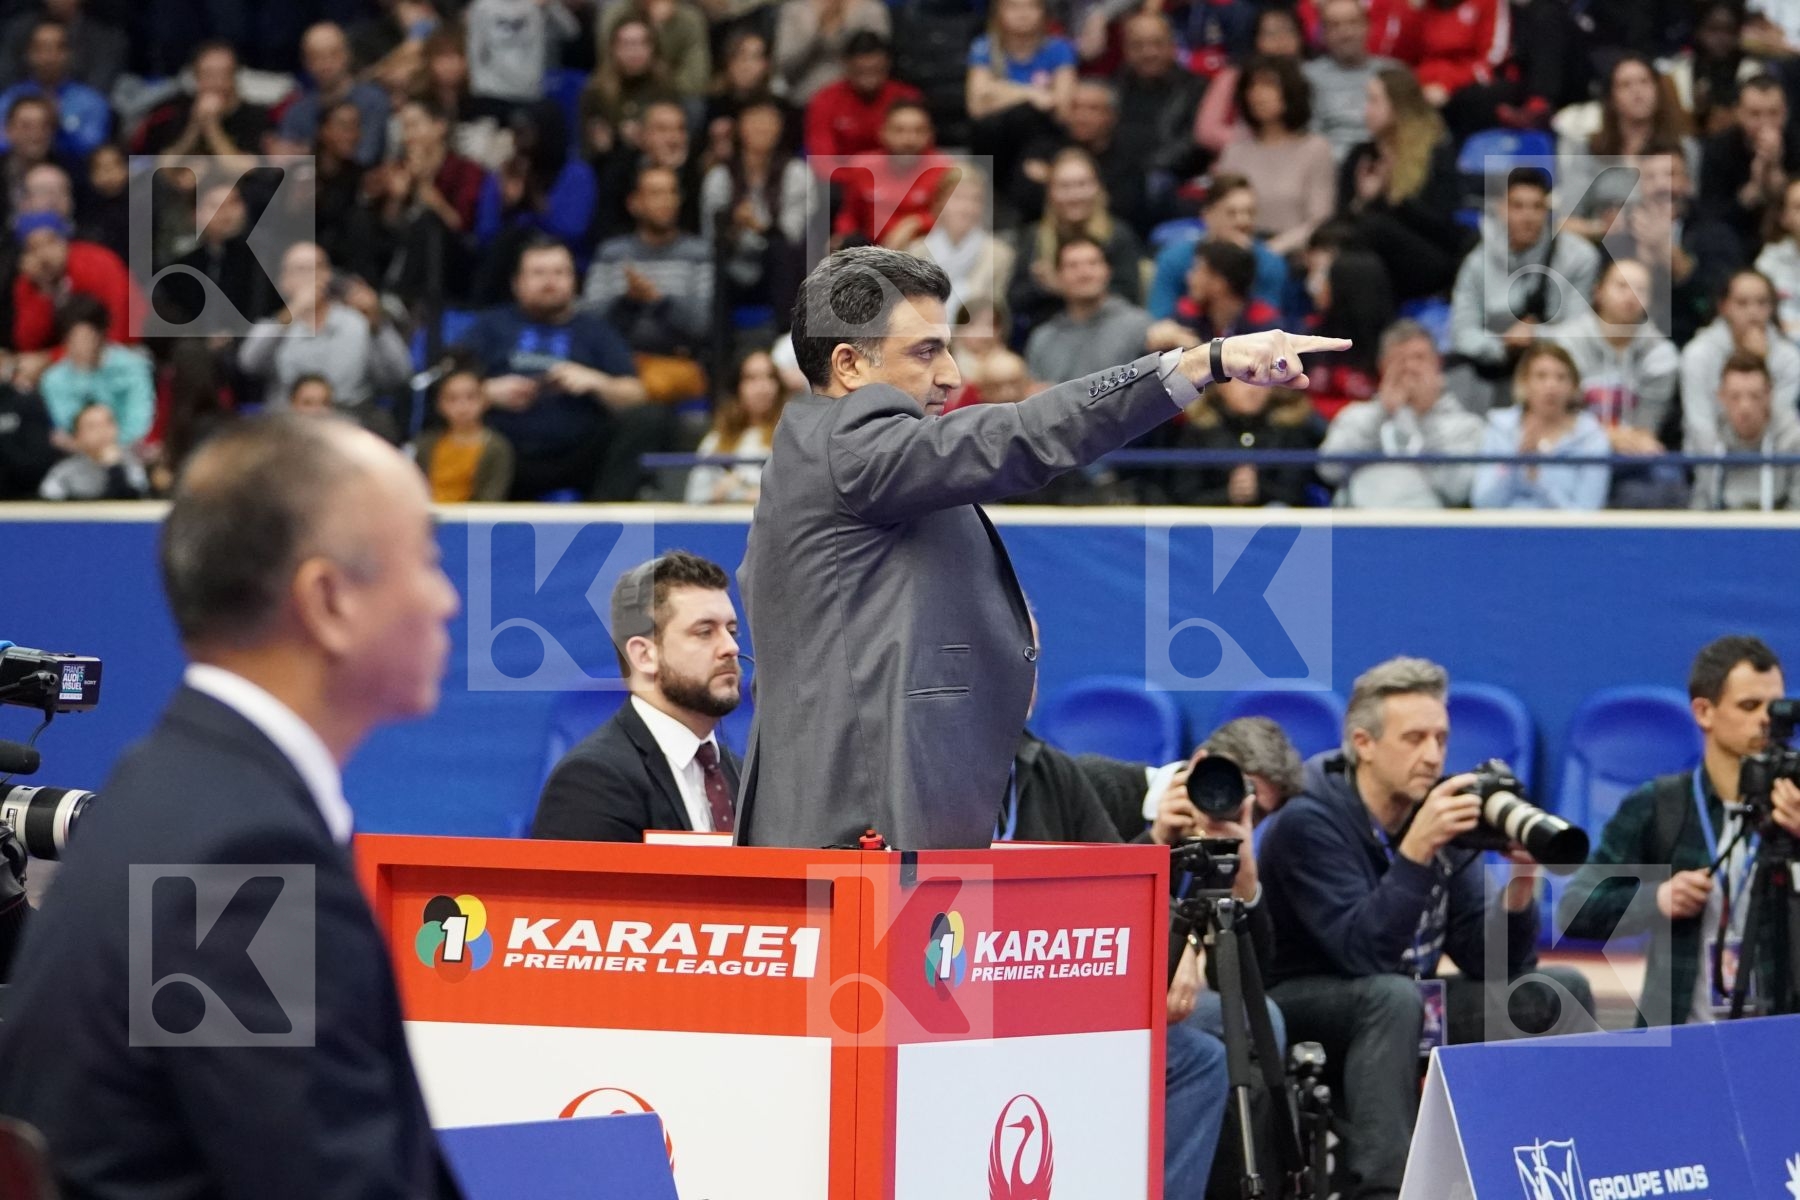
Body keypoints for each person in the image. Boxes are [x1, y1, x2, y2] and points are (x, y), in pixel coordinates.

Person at [732, 244, 1344, 849]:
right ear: (849, 365)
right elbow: (1021, 435)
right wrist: (1196, 365)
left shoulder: (851, 460)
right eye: (926, 351)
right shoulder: (847, 445)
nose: (951, 374)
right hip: (851, 832)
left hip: (865, 824)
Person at [3, 412, 464, 1195]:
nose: (447, 599)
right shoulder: (242, 857)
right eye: (423, 559)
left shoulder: (174, 794)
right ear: (329, 600)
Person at [1261, 656, 1596, 1200]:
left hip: (1404, 998)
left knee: (1558, 993)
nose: (1433, 754)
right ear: (1363, 743)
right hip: (1304, 1001)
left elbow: (1493, 963)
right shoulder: (1310, 820)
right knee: (1390, 997)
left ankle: (1549, 1172)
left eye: (1440, 738)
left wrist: (1520, 882)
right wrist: (1418, 851)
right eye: (1414, 738)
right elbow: (1361, 953)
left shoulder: (1435, 809)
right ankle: (1384, 1191)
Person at [1561, 636, 1800, 1023]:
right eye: (1749, 706)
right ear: (1704, 712)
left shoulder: (1795, 802)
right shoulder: (1662, 805)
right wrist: (1657, 900)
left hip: (1782, 1036)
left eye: (1774, 707)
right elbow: (1575, 910)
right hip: (1682, 1034)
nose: (1766, 721)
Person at [533, 552, 745, 842]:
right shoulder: (592, 781)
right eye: (705, 632)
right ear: (644, 655)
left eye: (732, 631)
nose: (730, 647)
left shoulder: (740, 774)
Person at [454, 238, 662, 501]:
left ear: (573, 281)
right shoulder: (491, 327)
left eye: (559, 273)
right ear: (517, 283)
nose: (549, 282)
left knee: (650, 417)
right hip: (507, 452)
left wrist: (596, 382)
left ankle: (606, 521)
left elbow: (637, 395)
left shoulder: (596, 330)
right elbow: (445, 383)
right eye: (539, 273)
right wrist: (486, 393)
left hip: (579, 452)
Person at [1447, 166, 1601, 414]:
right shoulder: (1477, 262)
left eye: (1537, 207)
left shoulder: (1580, 257)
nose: (1528, 216)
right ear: (1502, 209)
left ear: (1547, 211)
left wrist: (1535, 335)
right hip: (1494, 364)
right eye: (1518, 206)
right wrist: (1502, 345)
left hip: (1554, 360)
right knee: (1459, 370)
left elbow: (1579, 331)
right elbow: (1461, 332)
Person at [1319, 319, 1486, 509]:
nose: (1409, 368)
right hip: (1360, 524)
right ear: (1382, 367)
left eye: (1419, 358)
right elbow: (1329, 470)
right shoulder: (1356, 416)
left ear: (1437, 364)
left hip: (1431, 528)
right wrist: (1381, 414)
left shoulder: (1466, 426)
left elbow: (1458, 491)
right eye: (1398, 360)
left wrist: (1424, 419)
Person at [1338, 67, 1470, 301]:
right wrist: (1362, 202)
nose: (1366, 111)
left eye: (1374, 101)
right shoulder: (1362, 156)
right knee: (1355, 267)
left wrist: (1392, 198)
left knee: (1373, 228)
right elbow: (1342, 219)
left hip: (1429, 259)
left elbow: (1444, 226)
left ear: (1399, 106)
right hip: (1373, 265)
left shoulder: (1436, 153)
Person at [238, 243, 412, 417]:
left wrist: (377, 323)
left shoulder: (357, 322)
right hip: (290, 424)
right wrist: (292, 312)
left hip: (348, 420)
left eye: (316, 268)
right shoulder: (274, 326)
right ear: (283, 281)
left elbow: (398, 376)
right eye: (299, 270)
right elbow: (248, 364)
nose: (309, 277)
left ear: (328, 275)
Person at [585, 165, 714, 391]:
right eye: (655, 193)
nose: (666, 201)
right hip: (619, 364)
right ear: (634, 203)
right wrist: (628, 302)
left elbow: (703, 324)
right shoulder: (611, 254)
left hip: (678, 363)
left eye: (672, 192)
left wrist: (657, 300)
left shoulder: (699, 253)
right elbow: (589, 323)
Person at [1214, 56, 1336, 256]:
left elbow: (1319, 222)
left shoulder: (1315, 149)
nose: (1256, 94)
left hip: (1292, 255)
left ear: (1290, 91)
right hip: (1238, 255)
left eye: (1268, 85)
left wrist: (1269, 251)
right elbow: (1219, 213)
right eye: (1251, 86)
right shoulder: (1234, 152)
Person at [1470, 342, 1611, 509]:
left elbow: (1587, 514)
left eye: (1561, 377)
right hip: (1505, 532)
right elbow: (1482, 503)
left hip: (1563, 533)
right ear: (1524, 383)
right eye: (1541, 376)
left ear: (1573, 387)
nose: (1551, 386)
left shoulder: (1592, 439)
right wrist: (1514, 463)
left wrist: (1538, 483)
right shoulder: (1499, 428)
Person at [1680, 268, 1800, 448]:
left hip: (1771, 460)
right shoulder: (1698, 354)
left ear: (1772, 308)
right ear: (1723, 307)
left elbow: (1779, 421)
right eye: (1742, 303)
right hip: (1712, 457)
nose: (1753, 312)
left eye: (1762, 303)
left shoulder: (1788, 357)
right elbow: (1699, 423)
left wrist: (1760, 363)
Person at [1695, 75, 1800, 267]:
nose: (1765, 123)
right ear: (1739, 113)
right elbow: (1709, 212)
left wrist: (1776, 172)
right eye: (1755, 114)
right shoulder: (1718, 149)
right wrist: (1752, 190)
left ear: (1785, 112)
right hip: (1737, 235)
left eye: (1773, 113)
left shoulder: (1796, 142)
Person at [1169, 379, 1321, 507]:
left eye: (1262, 382)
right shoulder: (1199, 429)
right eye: (1243, 382)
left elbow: (1297, 493)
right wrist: (1227, 495)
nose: (1252, 391)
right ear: (1220, 386)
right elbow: (1184, 494)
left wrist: (1260, 490)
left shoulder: (1289, 427)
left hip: (1275, 529)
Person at [1022, 236, 1152, 384]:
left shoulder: (1139, 326)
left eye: (1093, 263)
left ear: (1108, 271)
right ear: (1058, 276)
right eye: (1072, 266)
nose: (1084, 273)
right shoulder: (1043, 338)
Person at [828, 100, 954, 249]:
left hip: (924, 250)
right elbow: (850, 216)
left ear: (930, 135)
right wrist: (841, 237)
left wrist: (916, 223)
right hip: (872, 251)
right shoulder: (863, 167)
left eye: (919, 131)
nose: (909, 139)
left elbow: (955, 217)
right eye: (899, 130)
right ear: (883, 133)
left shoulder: (944, 168)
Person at [1687, 351, 1800, 510]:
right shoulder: (1709, 440)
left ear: (1769, 395)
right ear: (1721, 396)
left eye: (1755, 396)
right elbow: (1701, 505)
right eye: (1735, 397)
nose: (1745, 407)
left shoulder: (1793, 439)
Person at [38, 296, 153, 448]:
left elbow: (139, 420)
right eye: (73, 339)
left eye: (87, 338)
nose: (80, 346)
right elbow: (65, 426)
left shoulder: (133, 367)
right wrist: (82, 373)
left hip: (129, 450)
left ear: (102, 335)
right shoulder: (53, 379)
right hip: (78, 454)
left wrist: (112, 447)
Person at [685, 348, 790, 504]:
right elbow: (693, 500)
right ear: (737, 387)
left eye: (770, 377)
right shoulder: (716, 441)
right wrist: (719, 494)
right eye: (752, 378)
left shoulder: (793, 438)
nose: (763, 387)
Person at [802, 30, 921, 164]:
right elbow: (822, 159)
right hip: (842, 179)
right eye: (861, 71)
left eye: (875, 69)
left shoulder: (907, 97)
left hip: (900, 176)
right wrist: (860, 179)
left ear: (887, 64)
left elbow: (922, 149)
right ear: (846, 65)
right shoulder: (824, 100)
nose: (869, 78)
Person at [280, 22, 391, 164]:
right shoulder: (297, 112)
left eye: (333, 54)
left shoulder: (373, 100)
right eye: (316, 56)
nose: (326, 64)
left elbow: (365, 157)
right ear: (305, 62)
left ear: (347, 54)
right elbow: (284, 161)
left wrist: (306, 153)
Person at [1305, 0, 1399, 162]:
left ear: (1367, 26)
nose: (1346, 33)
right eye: (1335, 25)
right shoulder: (1307, 77)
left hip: (1388, 166)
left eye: (1353, 22)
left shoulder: (1394, 72)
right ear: (1323, 33)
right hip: (1329, 169)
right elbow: (1307, 140)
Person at [1147, 238, 1279, 353]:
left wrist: (1195, 348)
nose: (1189, 278)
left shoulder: (1264, 324)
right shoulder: (1190, 312)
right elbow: (1157, 337)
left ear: (1219, 283)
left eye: (1197, 270)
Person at [414, 366, 516, 503]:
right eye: (452, 399)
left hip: (471, 520)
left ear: (485, 400)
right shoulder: (424, 444)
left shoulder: (498, 448)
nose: (462, 407)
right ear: (440, 404)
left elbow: (491, 497)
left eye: (471, 397)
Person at [774, 0, 891, 105]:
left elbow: (878, 60)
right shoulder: (795, 10)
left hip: (858, 103)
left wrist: (843, 26)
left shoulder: (871, 9)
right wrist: (819, 30)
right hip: (804, 99)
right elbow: (784, 65)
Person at [37, 401, 149, 500]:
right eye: (92, 426)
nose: (102, 431)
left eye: (108, 423)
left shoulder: (131, 465)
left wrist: (114, 468)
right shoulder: (64, 473)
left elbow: (133, 508)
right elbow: (48, 509)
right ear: (77, 437)